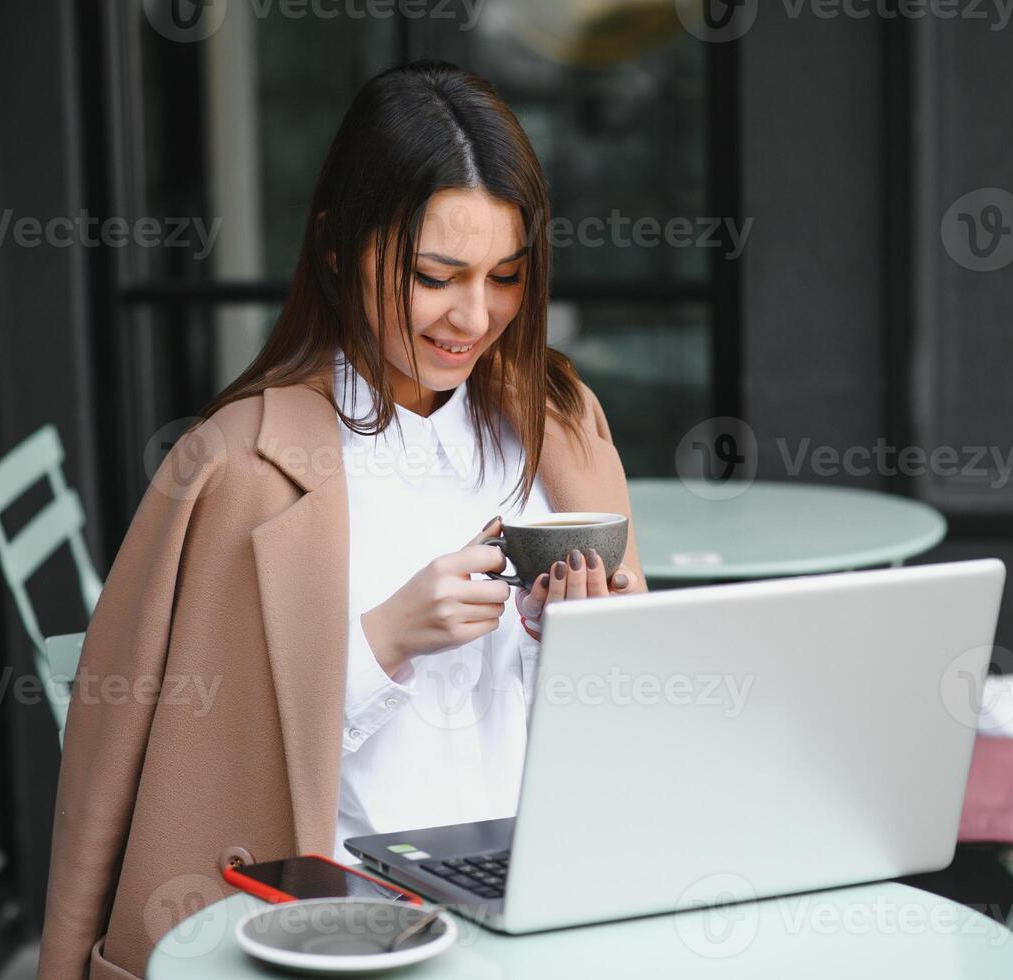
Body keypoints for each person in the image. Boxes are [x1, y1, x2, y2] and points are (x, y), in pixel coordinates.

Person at [37, 60, 646, 980]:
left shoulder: (558, 426)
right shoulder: (238, 469)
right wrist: (386, 638)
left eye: (506, 276)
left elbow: (629, 712)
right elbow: (194, 757)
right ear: (336, 248)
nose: (473, 318)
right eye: (434, 276)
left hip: (552, 901)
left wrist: (576, 637)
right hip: (339, 930)